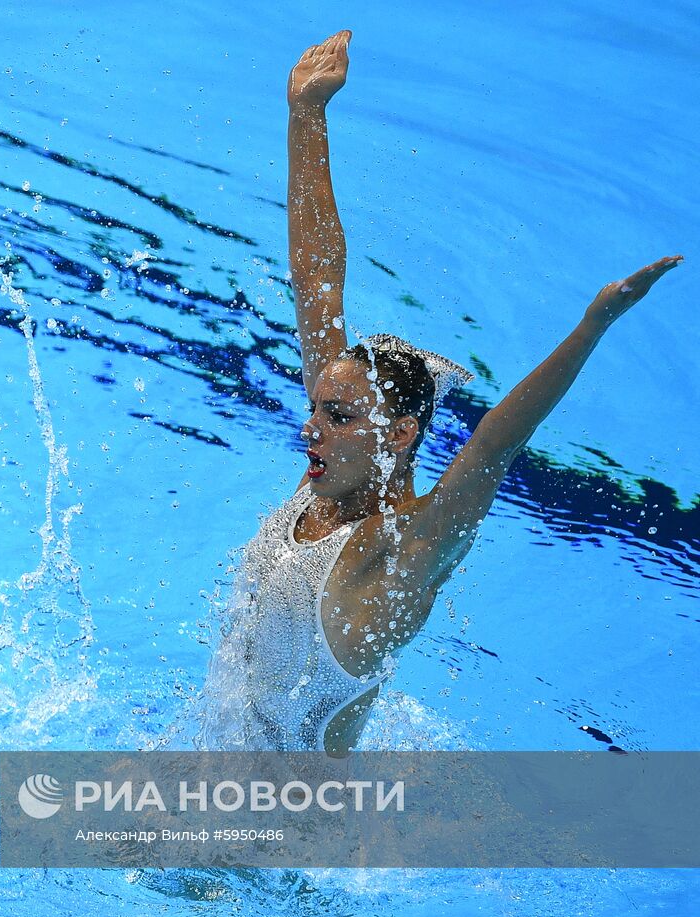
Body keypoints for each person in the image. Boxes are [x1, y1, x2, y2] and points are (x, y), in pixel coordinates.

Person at [198, 30, 681, 755]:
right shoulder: (325, 482)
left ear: (398, 433)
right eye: (315, 409)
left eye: (335, 415)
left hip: (279, 852)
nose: (311, 428)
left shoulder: (400, 557)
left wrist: (592, 326)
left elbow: (495, 443)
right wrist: (307, 115)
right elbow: (317, 280)